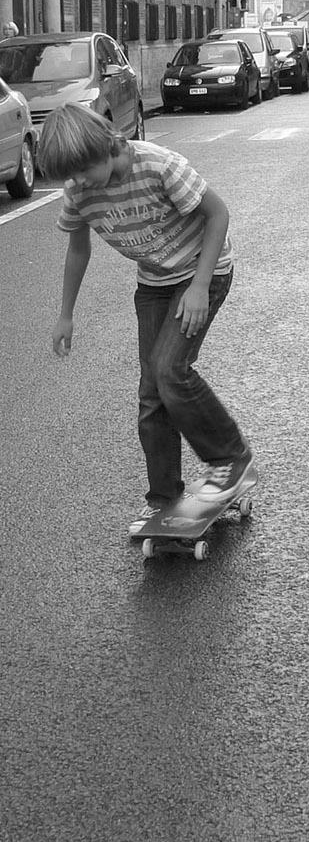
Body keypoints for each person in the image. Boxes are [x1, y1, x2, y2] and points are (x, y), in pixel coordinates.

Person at [38, 104, 253, 526]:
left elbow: (217, 213)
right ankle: (163, 495)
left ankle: (230, 456)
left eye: (83, 169)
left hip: (203, 274)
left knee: (171, 370)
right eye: (71, 175)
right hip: (154, 285)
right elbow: (78, 248)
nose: (78, 181)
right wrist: (66, 314)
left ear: (105, 146)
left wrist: (197, 287)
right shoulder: (78, 191)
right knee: (151, 391)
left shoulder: (157, 164)